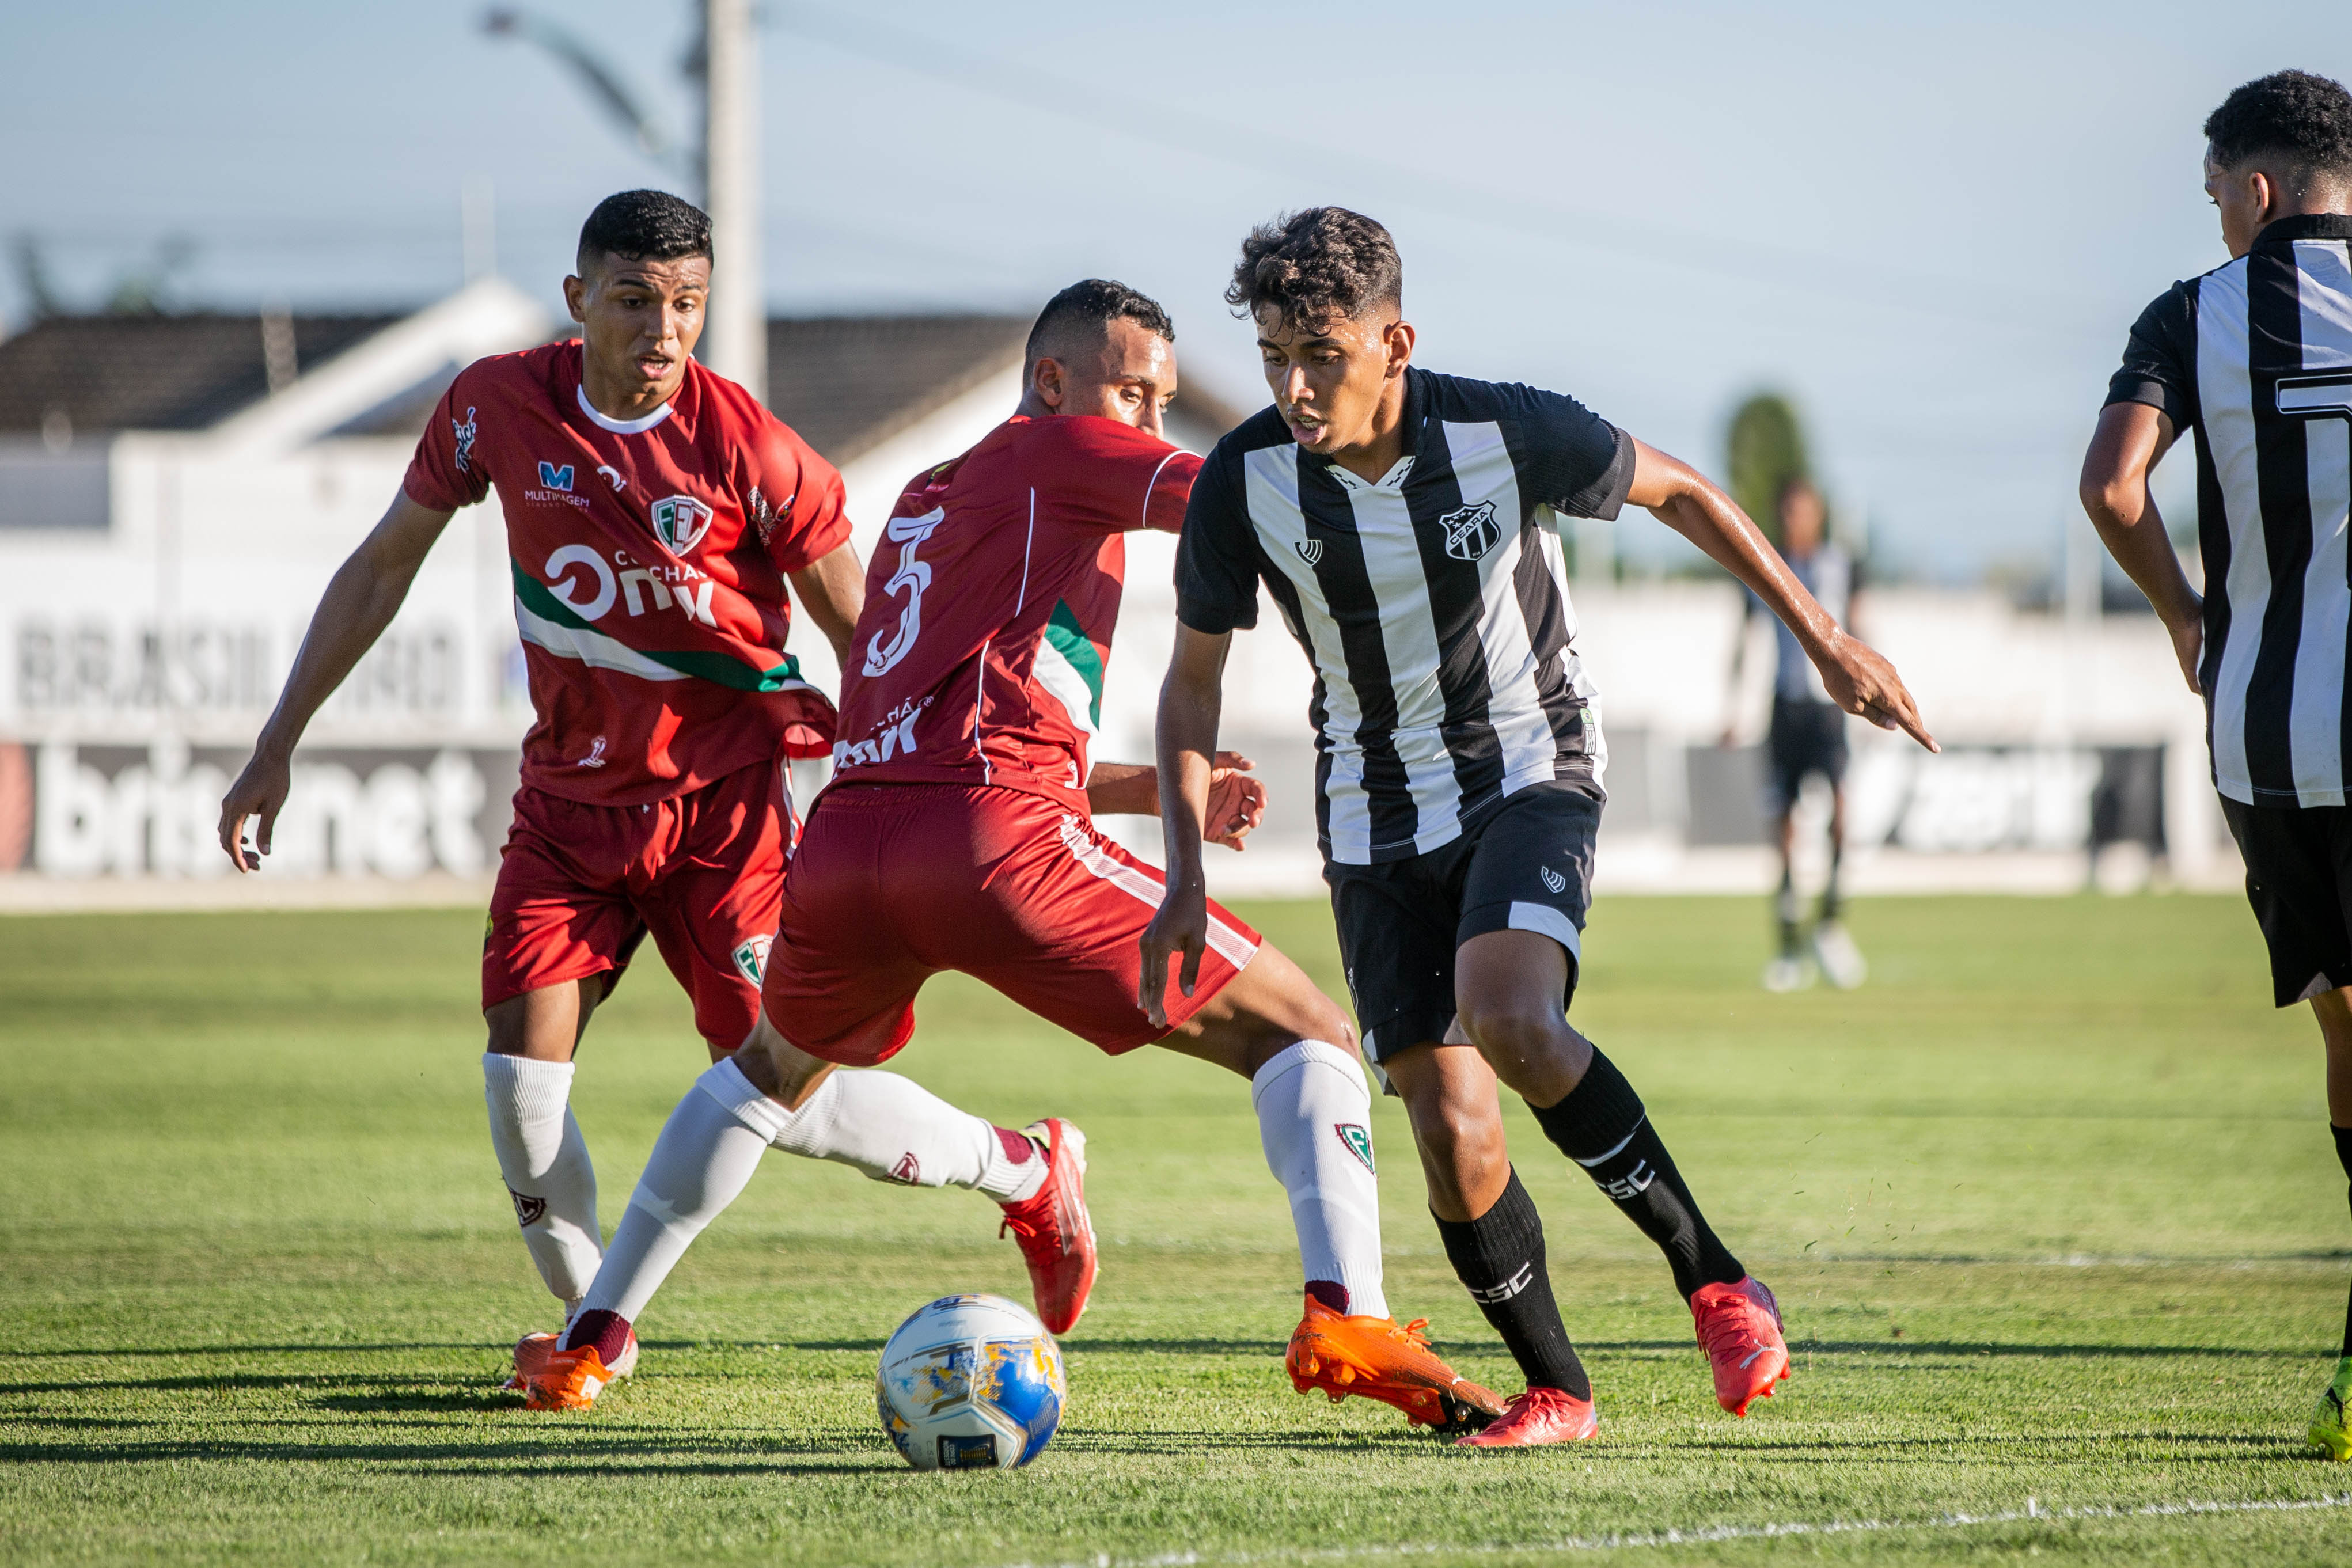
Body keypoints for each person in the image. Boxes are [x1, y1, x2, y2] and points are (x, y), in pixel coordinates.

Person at [520, 279, 1506, 1436]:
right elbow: (1249, 491)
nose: (1145, 417)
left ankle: (593, 1335)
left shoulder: (931, 505)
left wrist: (1148, 788)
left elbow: (954, 728)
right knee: (1309, 1033)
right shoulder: (1063, 455)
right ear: (1052, 383)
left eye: (1162, 397)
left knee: (763, 1070)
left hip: (854, 845)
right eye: (1130, 388)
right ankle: (1351, 1310)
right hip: (992, 843)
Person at [216, 190, 1090, 1385]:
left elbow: (871, 641)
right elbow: (380, 567)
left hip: (725, 816)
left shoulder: (753, 449)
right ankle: (594, 1335)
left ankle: (1025, 1165)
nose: (663, 328)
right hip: (568, 816)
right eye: (634, 300)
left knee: (786, 1094)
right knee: (520, 1091)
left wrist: (950, 786)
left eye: (686, 303)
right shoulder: (492, 408)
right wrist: (277, 742)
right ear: (579, 303)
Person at [1146, 208, 1937, 1448]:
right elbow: (1190, 682)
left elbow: (1681, 491)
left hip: (1528, 761)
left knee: (1510, 1011)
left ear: (1395, 340)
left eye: (1323, 355)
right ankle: (1557, 1389)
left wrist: (1820, 637)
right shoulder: (1239, 482)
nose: (1295, 388)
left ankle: (1717, 1281)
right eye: (1272, 358)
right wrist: (1183, 872)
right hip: (1368, 810)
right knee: (1447, 1124)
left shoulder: (1501, 427)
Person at [2079, 70, 2352, 1461]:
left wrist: (2190, 616)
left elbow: (2113, 489)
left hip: (2267, 739)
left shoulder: (2192, 312)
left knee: (2346, 1025)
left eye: (2213, 200)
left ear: (2251, 192)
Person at [1724, 475, 1867, 992]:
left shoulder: (1843, 566)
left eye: (1802, 511)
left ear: (1818, 515)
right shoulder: (1763, 566)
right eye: (1787, 511)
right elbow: (1744, 639)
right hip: (1784, 710)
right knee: (1782, 827)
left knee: (1842, 814)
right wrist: (1732, 706)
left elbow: (1861, 631)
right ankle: (1787, 945)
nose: (1794, 520)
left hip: (1830, 713)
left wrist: (1875, 700)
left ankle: (1830, 924)